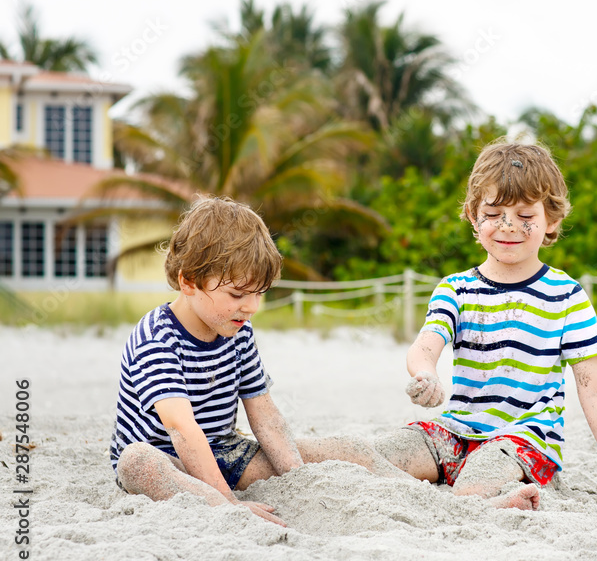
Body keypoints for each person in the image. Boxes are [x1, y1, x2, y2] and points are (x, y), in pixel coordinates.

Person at [373, 140, 597, 511]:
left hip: (524, 442)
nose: (509, 226)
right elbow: (426, 345)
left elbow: (595, 389)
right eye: (493, 213)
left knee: (476, 481)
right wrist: (426, 374)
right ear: (474, 217)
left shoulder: (566, 296)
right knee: (375, 456)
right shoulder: (456, 288)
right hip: (456, 430)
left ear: (550, 220)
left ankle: (500, 502)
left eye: (525, 215)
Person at [109, 197, 406, 526]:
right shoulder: (157, 337)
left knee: (347, 447)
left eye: (259, 293)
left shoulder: (238, 330)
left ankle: (414, 490)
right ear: (188, 281)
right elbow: (181, 429)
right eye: (237, 295)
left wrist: (299, 478)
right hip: (170, 460)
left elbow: (263, 413)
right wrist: (227, 502)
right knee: (135, 462)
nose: (250, 307)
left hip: (226, 453)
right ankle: (215, 504)